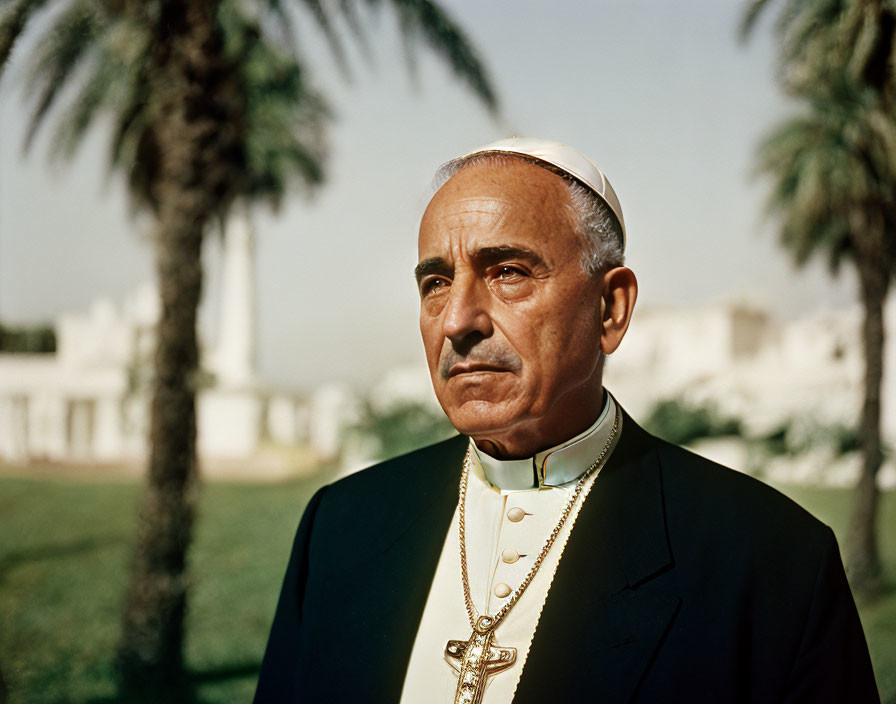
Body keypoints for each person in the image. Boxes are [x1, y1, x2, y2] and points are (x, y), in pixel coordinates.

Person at [254, 138, 879, 703]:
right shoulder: (339, 527)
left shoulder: (771, 563)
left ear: (610, 308)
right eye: (436, 282)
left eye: (507, 272)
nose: (457, 320)